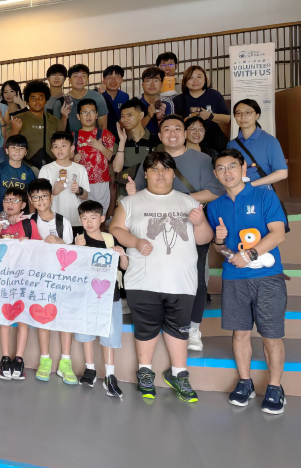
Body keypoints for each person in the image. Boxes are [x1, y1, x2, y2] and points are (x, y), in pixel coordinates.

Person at [110, 151, 214, 403]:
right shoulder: (130, 202)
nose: (160, 174)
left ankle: (179, 374)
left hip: (182, 281)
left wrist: (200, 223)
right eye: (154, 169)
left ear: (173, 173)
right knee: (145, 328)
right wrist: (135, 241)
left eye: (165, 169)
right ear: (145, 174)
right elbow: (115, 228)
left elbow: (204, 239)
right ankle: (145, 372)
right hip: (142, 280)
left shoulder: (188, 202)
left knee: (180, 329)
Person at [129, 114, 223, 351]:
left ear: (185, 133)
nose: (172, 133)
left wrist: (180, 202)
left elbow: (214, 190)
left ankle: (192, 327)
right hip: (156, 231)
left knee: (196, 277)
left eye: (177, 129)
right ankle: (161, 322)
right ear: (159, 136)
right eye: (166, 129)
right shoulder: (150, 160)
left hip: (192, 227)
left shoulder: (201, 159)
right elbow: (141, 193)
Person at [207, 149, 288, 414]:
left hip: (267, 277)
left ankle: (275, 387)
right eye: (220, 168)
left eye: (232, 166)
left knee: (271, 335)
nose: (227, 172)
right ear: (216, 174)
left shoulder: (265, 195)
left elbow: (277, 235)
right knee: (239, 332)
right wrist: (219, 240)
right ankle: (245, 383)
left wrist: (249, 254)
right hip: (234, 279)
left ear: (243, 168)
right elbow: (219, 248)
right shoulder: (215, 205)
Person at [73, 200, 126, 397]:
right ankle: (90, 369)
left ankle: (110, 375)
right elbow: (73, 268)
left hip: (110, 294)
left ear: (102, 218)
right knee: (86, 330)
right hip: (86, 293)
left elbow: (125, 266)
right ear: (80, 219)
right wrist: (78, 248)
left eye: (93, 217)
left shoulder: (110, 239)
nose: (88, 222)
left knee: (110, 333)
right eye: (84, 218)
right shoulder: (79, 240)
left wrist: (121, 254)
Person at [27, 178, 74, 382]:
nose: (41, 200)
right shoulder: (26, 221)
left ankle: (66, 361)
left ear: (51, 197)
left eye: (44, 195)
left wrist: (60, 241)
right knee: (42, 317)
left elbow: (75, 254)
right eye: (36, 197)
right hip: (38, 281)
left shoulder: (64, 222)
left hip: (61, 279)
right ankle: (44, 360)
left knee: (65, 318)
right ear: (30, 199)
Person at [0, 187, 41, 380]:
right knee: (5, 317)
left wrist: (27, 242)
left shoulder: (29, 223)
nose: (9, 204)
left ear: (22, 205)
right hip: (4, 278)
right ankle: (5, 357)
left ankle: (19, 359)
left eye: (14, 201)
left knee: (22, 319)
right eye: (6, 200)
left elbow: (39, 249)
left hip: (24, 279)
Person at [226, 99, 288, 190]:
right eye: (238, 113)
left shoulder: (270, 141)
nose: (243, 116)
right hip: (237, 194)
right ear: (234, 116)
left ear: (257, 115)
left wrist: (250, 185)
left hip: (262, 195)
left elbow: (282, 173)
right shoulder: (231, 144)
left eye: (248, 112)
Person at [72, 98, 120, 216]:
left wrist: (100, 147)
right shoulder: (73, 136)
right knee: (83, 215)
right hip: (81, 182)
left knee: (99, 214)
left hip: (100, 181)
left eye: (92, 112)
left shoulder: (105, 134)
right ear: (78, 116)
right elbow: (67, 159)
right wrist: (73, 159)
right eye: (84, 112)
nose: (89, 115)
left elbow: (109, 157)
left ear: (97, 115)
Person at [38, 132, 89, 234]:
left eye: (63, 145)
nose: (59, 149)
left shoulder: (80, 169)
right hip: (52, 219)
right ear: (52, 150)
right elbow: (39, 197)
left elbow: (85, 196)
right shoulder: (46, 169)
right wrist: (54, 192)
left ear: (72, 148)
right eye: (56, 146)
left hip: (75, 219)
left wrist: (79, 190)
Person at [173, 65, 230, 154]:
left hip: (214, 145)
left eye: (199, 77)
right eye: (191, 78)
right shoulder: (178, 100)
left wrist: (210, 116)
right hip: (187, 147)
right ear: (185, 82)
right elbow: (174, 123)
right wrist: (185, 121)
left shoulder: (214, 95)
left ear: (205, 80)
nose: (195, 80)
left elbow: (227, 119)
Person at [8, 80, 60, 169]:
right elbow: (7, 144)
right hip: (25, 167)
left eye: (40, 98)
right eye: (33, 98)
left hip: (51, 166)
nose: (37, 101)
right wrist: (14, 130)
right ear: (27, 101)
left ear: (46, 100)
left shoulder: (54, 121)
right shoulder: (18, 118)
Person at [115, 98, 161, 198]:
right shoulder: (119, 140)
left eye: (129, 115)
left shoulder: (155, 140)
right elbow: (117, 168)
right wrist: (122, 141)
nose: (125, 119)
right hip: (125, 193)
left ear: (141, 115)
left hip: (151, 193)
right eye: (122, 116)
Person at [0, 134, 36, 219]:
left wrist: (32, 217)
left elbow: (31, 197)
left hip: (21, 218)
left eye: (21, 148)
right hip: (1, 217)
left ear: (26, 152)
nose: (17, 151)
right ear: (7, 150)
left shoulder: (28, 172)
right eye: (13, 147)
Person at [51, 64, 108, 132]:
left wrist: (99, 141)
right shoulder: (61, 102)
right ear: (69, 80)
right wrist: (64, 118)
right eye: (76, 76)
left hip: (93, 141)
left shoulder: (97, 98)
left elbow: (103, 127)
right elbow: (57, 132)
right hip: (70, 141)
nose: (80, 79)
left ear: (87, 79)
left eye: (83, 76)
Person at [138, 67, 174, 136]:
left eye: (156, 80)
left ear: (162, 85)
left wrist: (161, 118)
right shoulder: (135, 102)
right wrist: (148, 116)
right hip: (140, 144)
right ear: (142, 85)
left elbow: (171, 129)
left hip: (162, 143)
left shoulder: (168, 103)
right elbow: (132, 129)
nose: (152, 84)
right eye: (148, 80)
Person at [100, 65, 129, 140]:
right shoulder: (98, 95)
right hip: (102, 135)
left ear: (122, 80)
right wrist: (99, 95)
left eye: (117, 77)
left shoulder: (124, 96)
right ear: (103, 80)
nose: (113, 80)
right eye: (109, 77)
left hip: (120, 135)